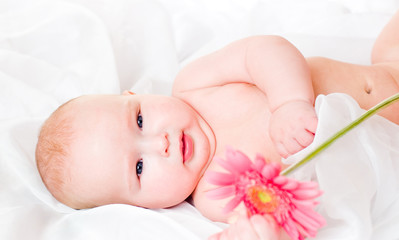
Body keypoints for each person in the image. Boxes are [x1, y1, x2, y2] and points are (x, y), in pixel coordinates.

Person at [35, 10, 399, 240]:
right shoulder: (212, 196)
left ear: (135, 94)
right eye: (140, 167)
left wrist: (289, 102)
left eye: (140, 120)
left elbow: (264, 49)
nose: (158, 144)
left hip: (386, 68)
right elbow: (289, 210)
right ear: (143, 207)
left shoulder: (195, 85)